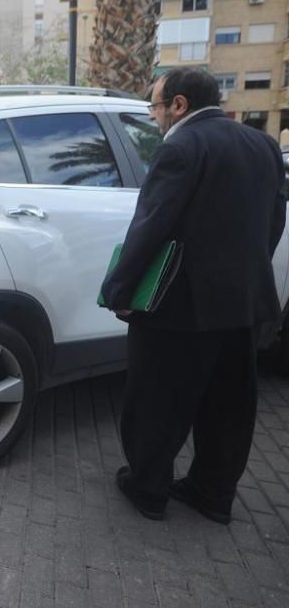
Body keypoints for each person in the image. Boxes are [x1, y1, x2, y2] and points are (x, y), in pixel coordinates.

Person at [100, 67, 286, 523]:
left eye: (156, 105)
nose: (154, 115)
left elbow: (151, 226)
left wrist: (119, 290)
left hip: (179, 306)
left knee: (157, 401)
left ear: (179, 105)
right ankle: (213, 494)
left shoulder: (180, 146)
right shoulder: (261, 144)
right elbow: (274, 220)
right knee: (229, 407)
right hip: (243, 304)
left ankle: (147, 489)